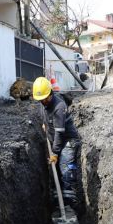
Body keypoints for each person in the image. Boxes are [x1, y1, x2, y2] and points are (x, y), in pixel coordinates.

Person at [33, 77, 81, 209]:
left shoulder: (59, 106)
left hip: (68, 140)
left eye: (45, 98)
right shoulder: (43, 103)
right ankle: (56, 201)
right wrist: (45, 125)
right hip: (56, 141)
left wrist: (54, 152)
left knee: (65, 168)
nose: (43, 101)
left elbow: (60, 133)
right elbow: (46, 118)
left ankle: (70, 203)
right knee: (54, 170)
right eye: (40, 99)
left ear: (50, 93)